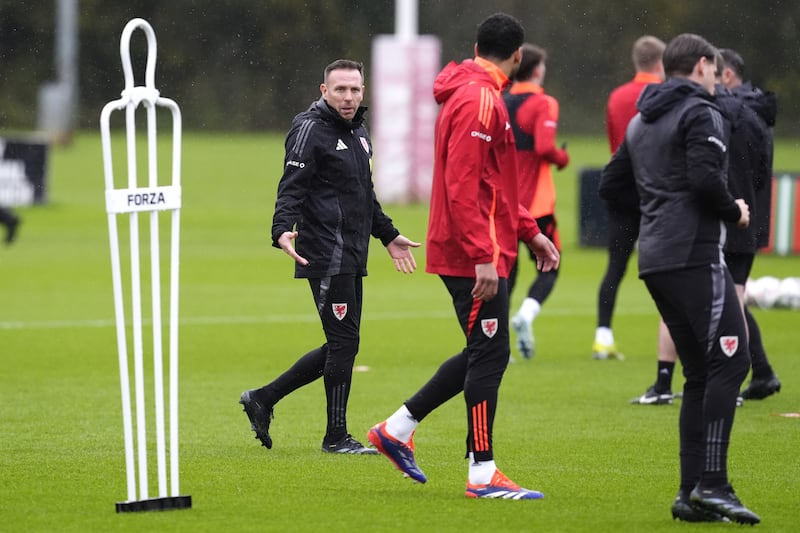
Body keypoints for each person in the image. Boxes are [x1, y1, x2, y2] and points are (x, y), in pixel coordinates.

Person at [367, 13, 559, 499]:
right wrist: (483, 257)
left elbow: (492, 181)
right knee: (490, 357)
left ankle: (397, 428)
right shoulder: (479, 99)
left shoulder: (478, 92)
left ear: (477, 45)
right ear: (518, 56)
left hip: (483, 245)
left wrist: (528, 231)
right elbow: (462, 184)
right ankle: (482, 474)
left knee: (484, 351)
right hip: (472, 253)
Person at [599, 34, 760, 524]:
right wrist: (734, 211)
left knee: (700, 373)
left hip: (656, 259)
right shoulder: (701, 111)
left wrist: (655, 211)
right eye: (713, 69)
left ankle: (689, 494)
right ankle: (713, 485)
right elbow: (707, 180)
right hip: (694, 255)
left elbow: (610, 186)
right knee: (734, 362)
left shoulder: (641, 121)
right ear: (705, 66)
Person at [239, 59, 420, 455]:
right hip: (324, 251)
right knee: (343, 343)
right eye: (340, 89)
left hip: (353, 251)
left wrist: (388, 235)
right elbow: (291, 186)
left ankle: (263, 399)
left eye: (355, 89)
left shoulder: (358, 130)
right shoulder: (309, 129)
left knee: (344, 343)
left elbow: (363, 194)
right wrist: (281, 229)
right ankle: (335, 436)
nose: (349, 97)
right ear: (324, 91)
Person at [594, 36, 668, 366]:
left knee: (615, 266)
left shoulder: (617, 96)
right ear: (660, 63)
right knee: (668, 266)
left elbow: (615, 144)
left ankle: (602, 335)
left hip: (622, 188)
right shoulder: (666, 95)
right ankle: (676, 337)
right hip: (657, 190)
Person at [718, 48, 782, 401]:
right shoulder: (756, 111)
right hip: (750, 215)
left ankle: (737, 375)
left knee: (731, 300)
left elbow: (734, 172)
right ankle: (761, 371)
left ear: (726, 75)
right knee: (734, 300)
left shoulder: (737, 115)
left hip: (736, 217)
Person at [504, 43, 569, 360]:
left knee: (507, 270)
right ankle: (525, 316)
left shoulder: (499, 99)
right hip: (535, 204)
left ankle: (497, 336)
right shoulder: (544, 103)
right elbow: (544, 147)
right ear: (538, 69)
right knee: (551, 263)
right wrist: (562, 157)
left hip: (503, 200)